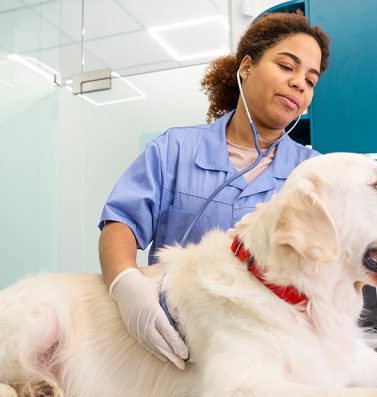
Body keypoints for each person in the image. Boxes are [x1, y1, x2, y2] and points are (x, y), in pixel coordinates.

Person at [97, 12, 331, 369]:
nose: (300, 84)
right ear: (247, 67)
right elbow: (121, 223)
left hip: (270, 355)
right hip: (171, 344)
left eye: (310, 80)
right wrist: (126, 286)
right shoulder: (174, 149)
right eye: (287, 66)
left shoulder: (313, 172)